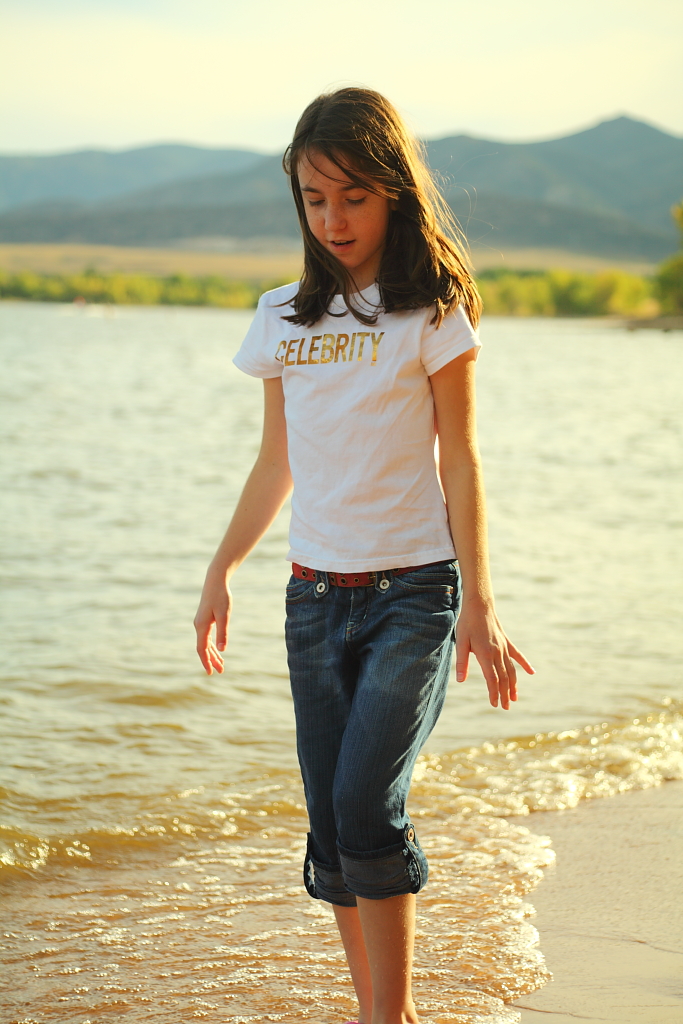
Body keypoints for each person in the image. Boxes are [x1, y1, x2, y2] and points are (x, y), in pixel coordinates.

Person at [193, 87, 534, 1024]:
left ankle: (394, 1017)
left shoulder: (431, 312)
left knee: (366, 806)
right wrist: (220, 570)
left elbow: (459, 459)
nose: (333, 218)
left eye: (352, 195)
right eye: (313, 198)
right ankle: (372, 1014)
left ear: (392, 191)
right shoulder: (281, 319)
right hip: (311, 600)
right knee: (334, 828)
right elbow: (277, 464)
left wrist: (481, 602)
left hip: (413, 596)